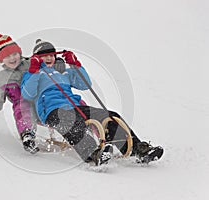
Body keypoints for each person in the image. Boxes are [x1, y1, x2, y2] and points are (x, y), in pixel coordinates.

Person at [21, 39, 164, 165]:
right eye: (44, 55)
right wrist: (34, 71)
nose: (49, 58)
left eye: (52, 55)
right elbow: (28, 93)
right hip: (52, 111)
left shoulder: (63, 72)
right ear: (37, 58)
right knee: (71, 122)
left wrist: (75, 65)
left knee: (111, 116)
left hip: (75, 106)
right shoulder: (32, 74)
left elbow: (85, 84)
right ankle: (93, 154)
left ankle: (137, 150)